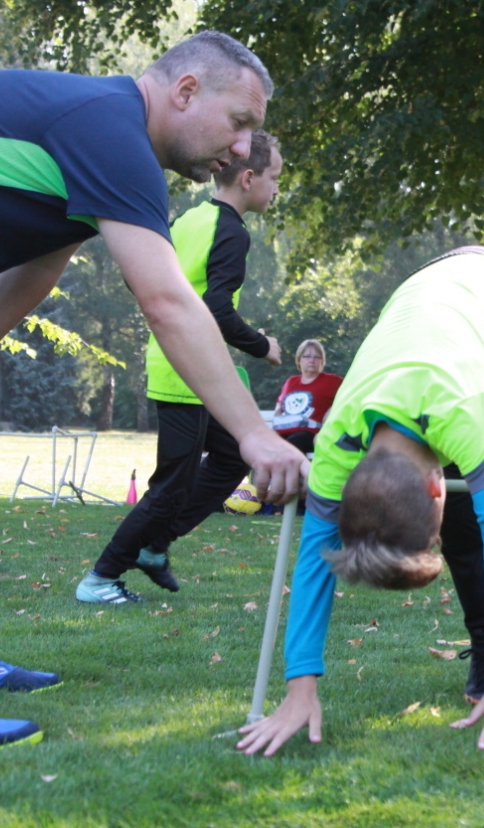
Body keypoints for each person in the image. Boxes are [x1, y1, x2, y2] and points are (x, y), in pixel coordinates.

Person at [0, 31, 307, 748]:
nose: (244, 150)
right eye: (240, 123)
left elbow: (35, 261)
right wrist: (253, 432)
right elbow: (168, 301)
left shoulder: (100, 143)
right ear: (184, 92)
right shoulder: (108, 127)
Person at [236, 246, 484, 757]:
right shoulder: (337, 441)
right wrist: (299, 688)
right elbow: (316, 558)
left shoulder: (461, 412)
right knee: (468, 517)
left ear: (432, 489)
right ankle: (483, 651)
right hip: (442, 325)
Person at [77, 130, 286, 604]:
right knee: (170, 485)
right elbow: (217, 308)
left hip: (186, 365)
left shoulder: (191, 219)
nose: (276, 189)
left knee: (234, 456)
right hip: (186, 373)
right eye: (274, 178)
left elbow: (141, 278)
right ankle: (101, 578)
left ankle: (155, 545)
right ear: (249, 178)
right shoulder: (232, 231)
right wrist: (262, 346)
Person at [272, 339, 343, 454]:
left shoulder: (333, 381)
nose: (312, 360)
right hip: (285, 431)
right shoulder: (291, 382)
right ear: (299, 360)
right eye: (307, 356)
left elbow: (351, 396)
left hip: (311, 434)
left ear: (322, 361)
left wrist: (333, 408)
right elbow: (280, 406)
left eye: (317, 357)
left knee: (294, 442)